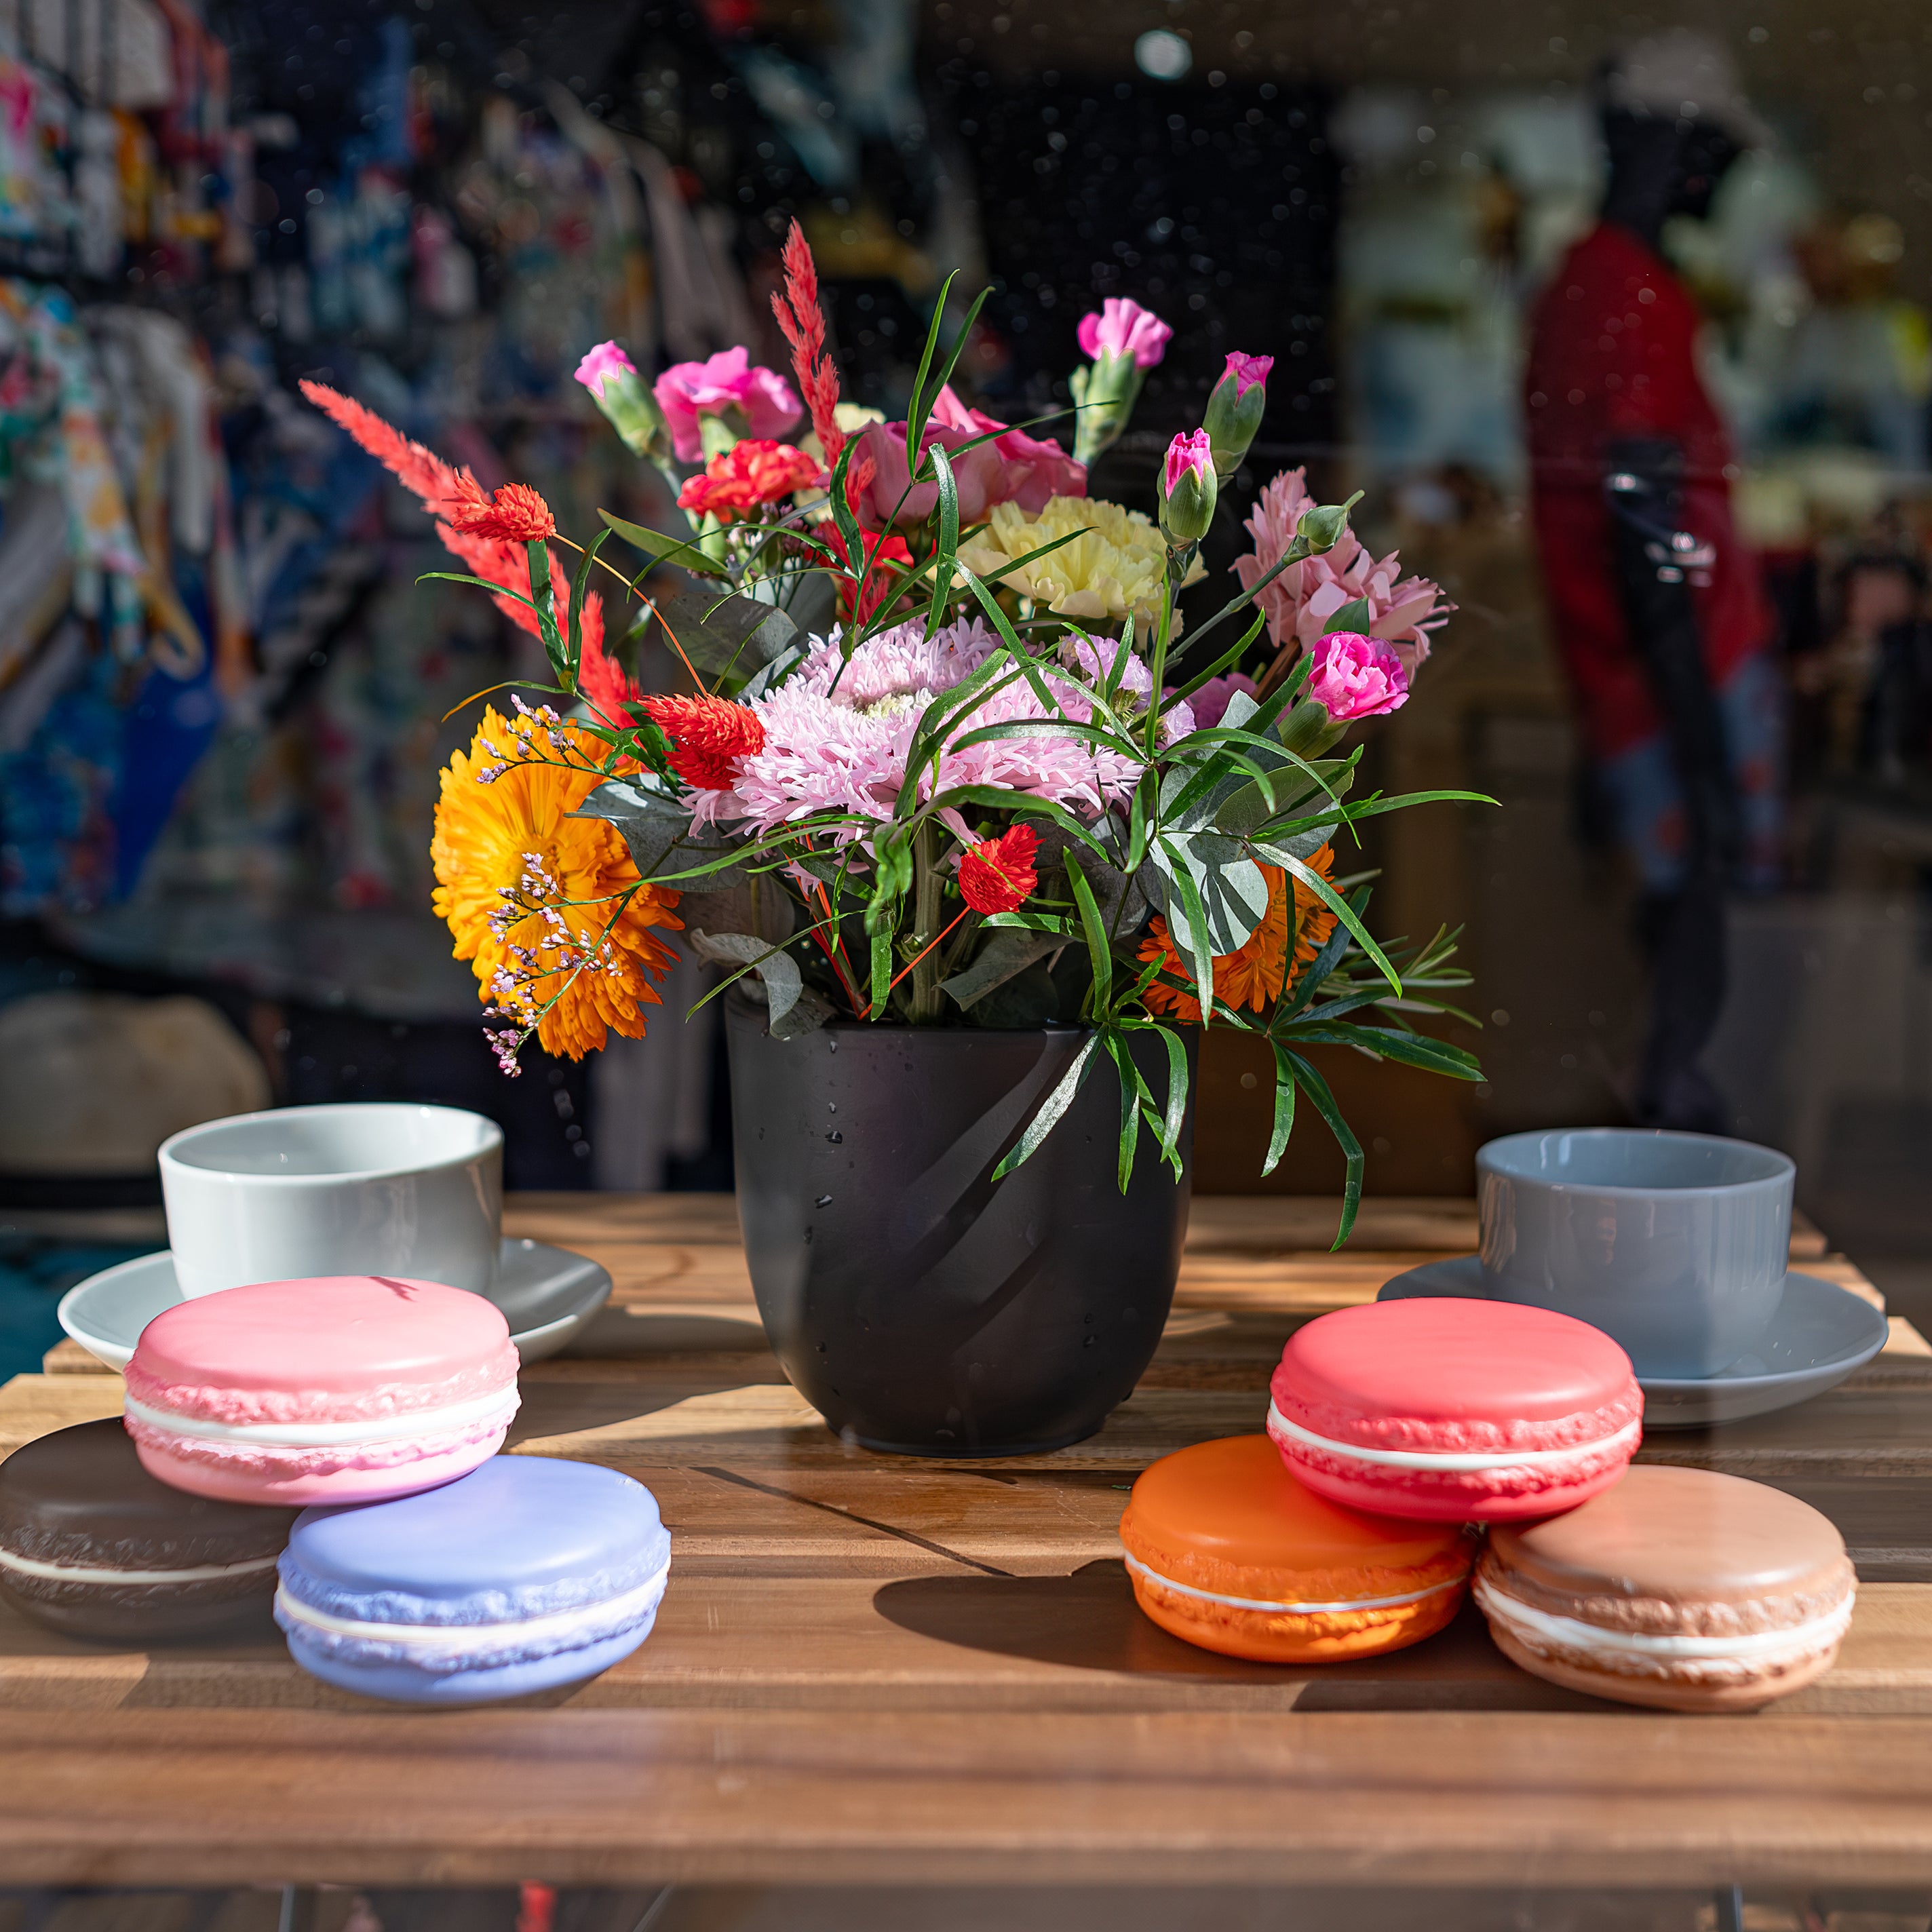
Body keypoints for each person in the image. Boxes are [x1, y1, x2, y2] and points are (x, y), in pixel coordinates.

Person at [1524, 31, 1783, 1132]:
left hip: (1642, 674)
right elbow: (1644, 522)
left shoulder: (1588, 286)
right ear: (1675, 148)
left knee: (1676, 939)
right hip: (1677, 677)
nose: (1724, 179)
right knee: (1696, 943)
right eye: (1714, 152)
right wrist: (1702, 738)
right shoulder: (1631, 294)